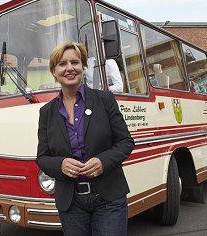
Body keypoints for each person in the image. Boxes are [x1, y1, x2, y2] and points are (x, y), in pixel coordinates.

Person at [36, 41, 134, 236]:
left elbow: (125, 142)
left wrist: (102, 161)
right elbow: (42, 158)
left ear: (83, 67)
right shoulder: (47, 112)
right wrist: (61, 164)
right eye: (62, 64)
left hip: (108, 199)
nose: (70, 68)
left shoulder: (105, 100)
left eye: (75, 62)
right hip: (71, 203)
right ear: (54, 71)